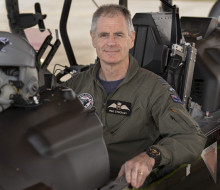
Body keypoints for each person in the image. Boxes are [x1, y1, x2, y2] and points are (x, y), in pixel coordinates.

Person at [64, 4, 206, 189]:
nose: (111, 42)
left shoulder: (154, 89)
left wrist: (151, 156)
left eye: (119, 35)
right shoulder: (73, 86)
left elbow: (192, 136)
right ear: (93, 39)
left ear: (131, 39)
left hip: (122, 182)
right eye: (104, 35)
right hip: (74, 179)